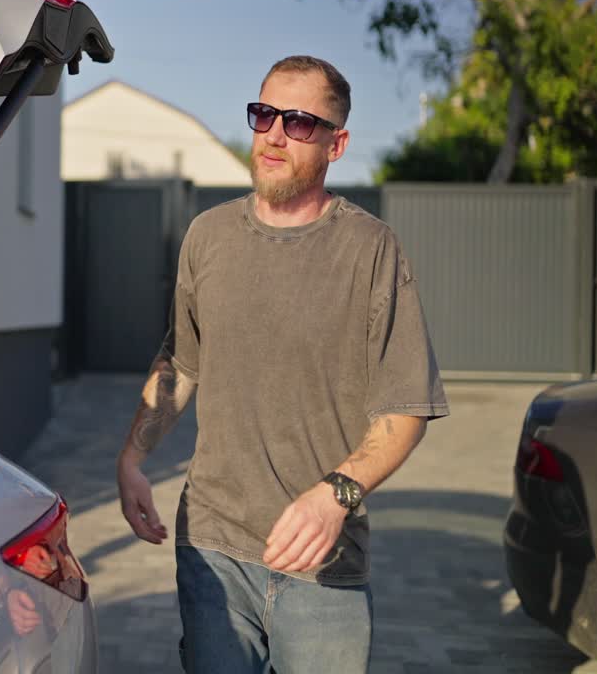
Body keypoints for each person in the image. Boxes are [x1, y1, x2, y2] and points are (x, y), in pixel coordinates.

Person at [114, 55, 449, 673]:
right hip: (211, 546)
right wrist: (133, 458)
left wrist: (333, 497)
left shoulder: (371, 250)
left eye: (298, 122)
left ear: (336, 143)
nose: (273, 134)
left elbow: (405, 410)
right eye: (264, 114)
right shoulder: (207, 237)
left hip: (323, 561)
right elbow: (181, 362)